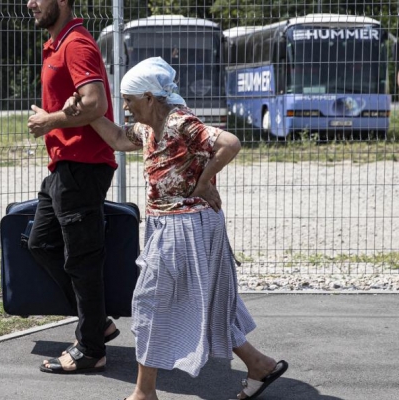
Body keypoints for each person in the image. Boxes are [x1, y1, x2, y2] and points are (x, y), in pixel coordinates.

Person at [56, 57, 288, 400]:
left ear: (149, 98)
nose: (126, 106)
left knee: (149, 303)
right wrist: (86, 115)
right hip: (176, 225)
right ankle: (260, 365)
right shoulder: (151, 128)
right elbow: (119, 139)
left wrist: (204, 183)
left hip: (185, 226)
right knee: (207, 303)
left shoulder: (180, 123)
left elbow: (230, 143)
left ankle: (144, 393)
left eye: (129, 99)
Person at [24, 0, 120, 374]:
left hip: (83, 166)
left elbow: (96, 103)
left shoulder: (77, 44)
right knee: (40, 243)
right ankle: (96, 323)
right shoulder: (56, 43)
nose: (30, 2)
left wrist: (50, 120)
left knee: (83, 260)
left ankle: (92, 348)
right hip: (63, 168)